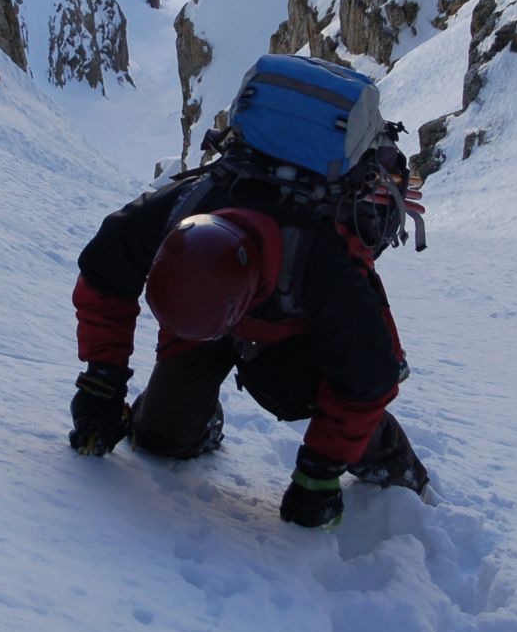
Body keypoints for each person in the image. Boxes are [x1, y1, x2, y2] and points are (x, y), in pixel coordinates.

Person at [66, 136, 431, 529]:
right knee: (160, 437)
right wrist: (101, 382)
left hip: (290, 335)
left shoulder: (328, 269)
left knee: (288, 390)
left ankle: (397, 468)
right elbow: (104, 277)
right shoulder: (179, 209)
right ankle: (197, 419)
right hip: (208, 312)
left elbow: (368, 382)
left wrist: (319, 472)